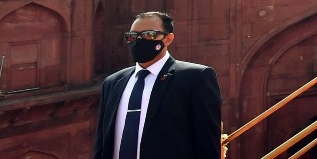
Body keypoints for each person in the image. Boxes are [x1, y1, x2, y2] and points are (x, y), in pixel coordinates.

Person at [93, 11, 222, 159]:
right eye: (132, 36)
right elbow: (102, 144)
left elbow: (207, 145)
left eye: (149, 35)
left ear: (168, 39)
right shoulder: (113, 83)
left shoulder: (194, 78)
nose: (139, 40)